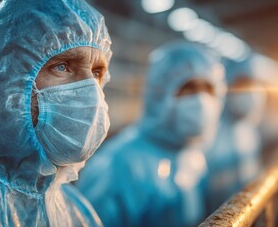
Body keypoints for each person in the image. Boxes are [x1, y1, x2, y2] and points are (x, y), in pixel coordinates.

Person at [0, 0, 112, 226]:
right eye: (62, 66)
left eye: (96, 72)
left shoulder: (75, 209)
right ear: (3, 79)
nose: (90, 91)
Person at [75, 41, 226, 227]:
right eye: (189, 88)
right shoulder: (118, 166)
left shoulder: (193, 155)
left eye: (208, 89)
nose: (201, 101)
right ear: (159, 94)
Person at [204, 59, 267, 213]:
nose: (250, 91)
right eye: (241, 84)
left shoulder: (250, 130)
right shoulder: (208, 135)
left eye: (253, 84)